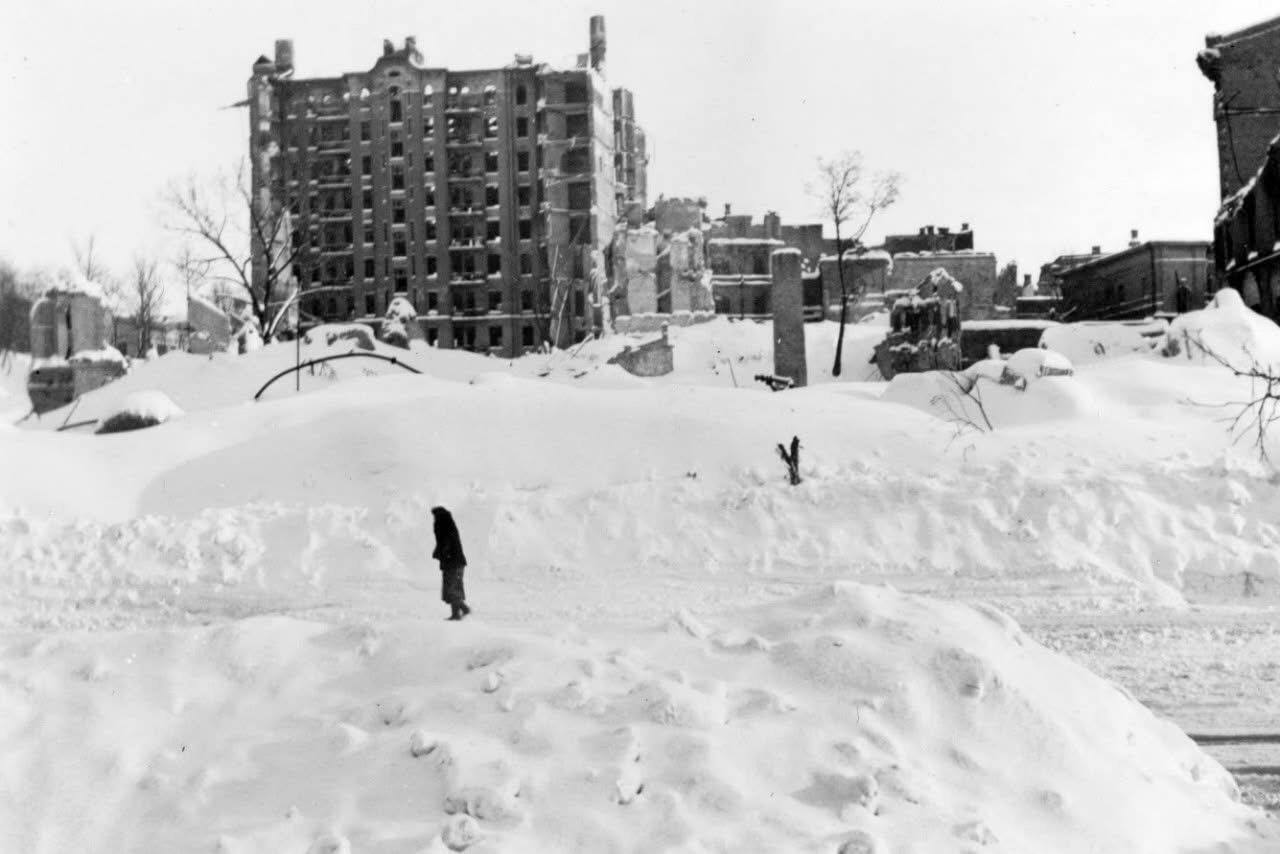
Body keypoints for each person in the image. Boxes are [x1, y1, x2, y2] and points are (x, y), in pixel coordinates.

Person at [431, 506, 470, 621]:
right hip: (455, 562)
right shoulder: (449, 526)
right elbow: (445, 543)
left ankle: (457, 614)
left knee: (452, 589)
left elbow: (445, 544)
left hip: (453, 563)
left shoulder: (445, 527)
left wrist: (441, 552)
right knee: (452, 588)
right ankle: (462, 610)